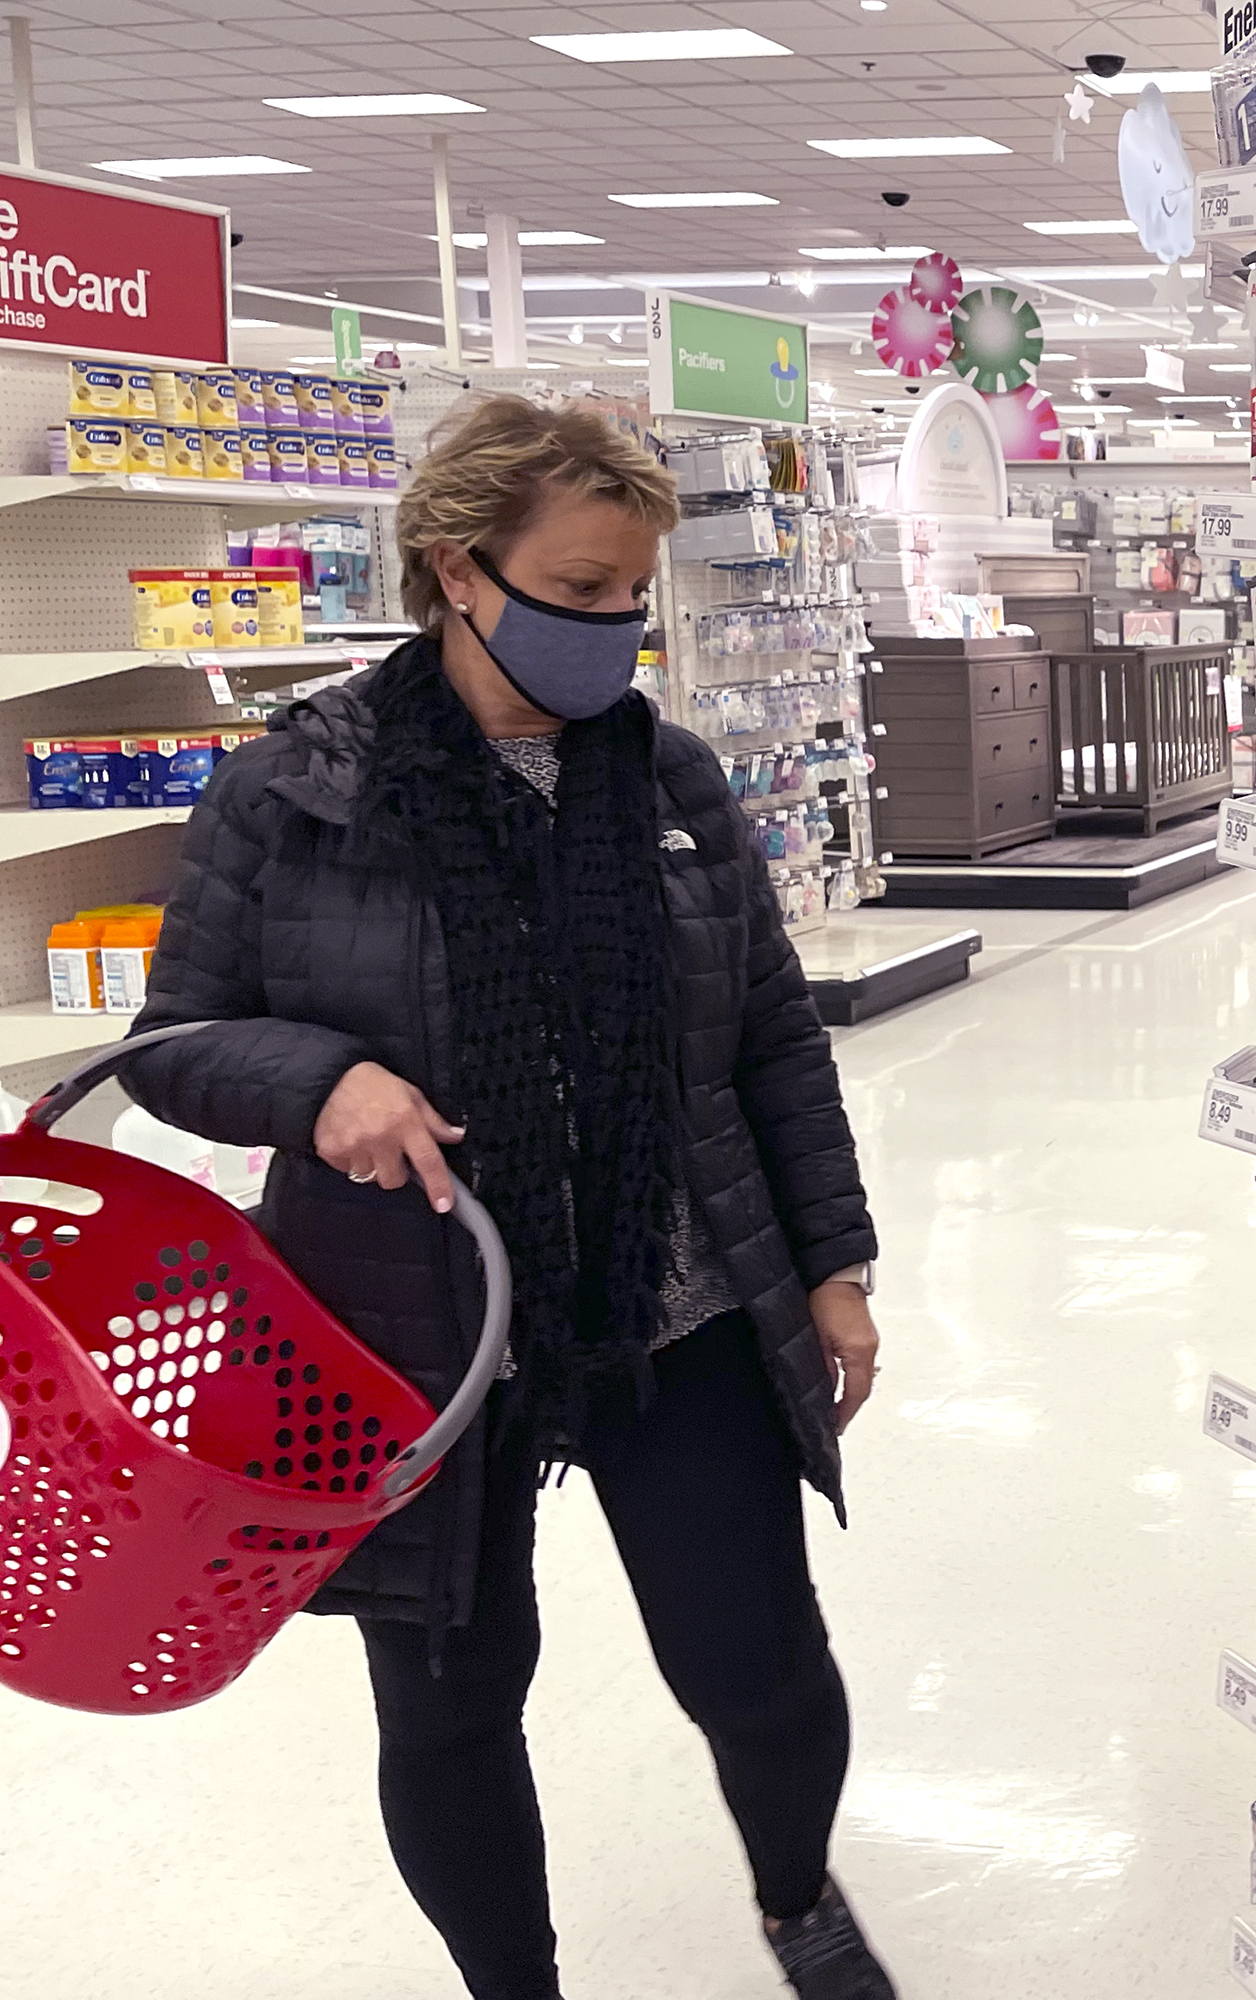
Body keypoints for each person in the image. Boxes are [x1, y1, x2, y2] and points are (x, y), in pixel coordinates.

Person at [122, 396, 890, 2000]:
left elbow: (765, 1040)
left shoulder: (671, 782)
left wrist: (832, 1262)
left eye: (635, 596)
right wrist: (316, 1082)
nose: (622, 627)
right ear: (458, 568)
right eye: (590, 588)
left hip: (668, 1301)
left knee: (756, 1665)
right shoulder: (300, 791)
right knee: (453, 1700)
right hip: (406, 1337)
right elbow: (176, 1044)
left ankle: (796, 1892)